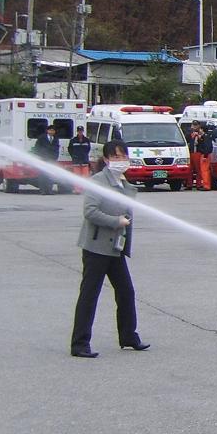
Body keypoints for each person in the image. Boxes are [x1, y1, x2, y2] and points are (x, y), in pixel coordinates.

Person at [70, 139, 150, 358]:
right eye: (115, 157)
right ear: (106, 159)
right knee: (90, 294)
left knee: (126, 292)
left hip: (115, 248)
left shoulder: (123, 183)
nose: (120, 160)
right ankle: (80, 343)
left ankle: (128, 336)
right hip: (96, 248)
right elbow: (90, 212)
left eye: (123, 156)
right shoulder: (98, 181)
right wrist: (116, 221)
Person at [31, 124, 61, 194]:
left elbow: (56, 148)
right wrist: (41, 156)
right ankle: (43, 190)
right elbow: (37, 148)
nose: (52, 132)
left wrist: (55, 158)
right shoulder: (41, 137)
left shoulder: (56, 139)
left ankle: (49, 190)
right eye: (50, 130)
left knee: (50, 176)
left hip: (52, 159)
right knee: (43, 175)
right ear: (47, 131)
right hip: (43, 159)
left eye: (53, 130)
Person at [187, 122, 215, 191]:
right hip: (192, 153)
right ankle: (190, 184)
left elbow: (207, 146)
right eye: (193, 125)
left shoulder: (205, 136)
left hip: (200, 154)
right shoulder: (191, 134)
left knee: (202, 170)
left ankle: (203, 185)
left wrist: (205, 155)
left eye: (196, 125)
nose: (194, 127)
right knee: (192, 170)